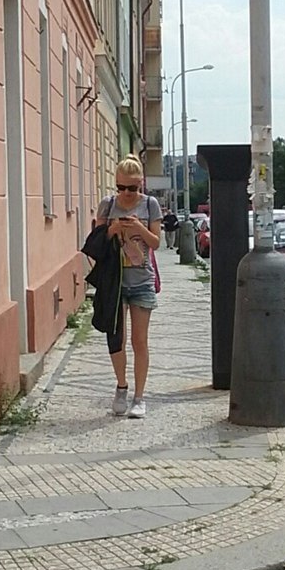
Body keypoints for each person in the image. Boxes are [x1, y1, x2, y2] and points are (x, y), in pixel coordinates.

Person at [96, 157, 162, 419]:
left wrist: (138, 228)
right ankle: (121, 387)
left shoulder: (150, 204)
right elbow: (96, 241)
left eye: (132, 188)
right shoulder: (108, 204)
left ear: (141, 185)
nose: (125, 193)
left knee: (139, 341)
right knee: (117, 339)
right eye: (120, 187)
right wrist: (112, 228)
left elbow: (156, 243)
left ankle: (139, 397)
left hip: (142, 281)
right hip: (115, 282)